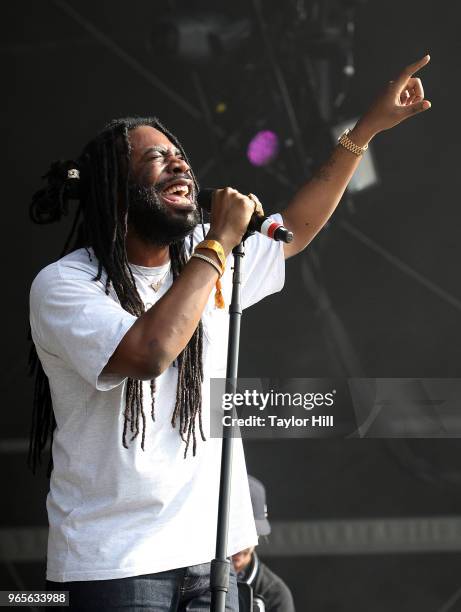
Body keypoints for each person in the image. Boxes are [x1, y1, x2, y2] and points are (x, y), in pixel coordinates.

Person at [28, 55, 431, 611]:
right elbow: (150, 352)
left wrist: (365, 129)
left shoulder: (205, 260)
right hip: (118, 563)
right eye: (156, 159)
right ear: (113, 190)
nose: (180, 167)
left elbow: (297, 228)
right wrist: (216, 243)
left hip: (213, 555)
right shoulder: (66, 284)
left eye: (181, 158)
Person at [234, 476, 295, 612]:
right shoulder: (191, 579)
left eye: (251, 533)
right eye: (234, 532)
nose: (241, 544)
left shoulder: (274, 594)